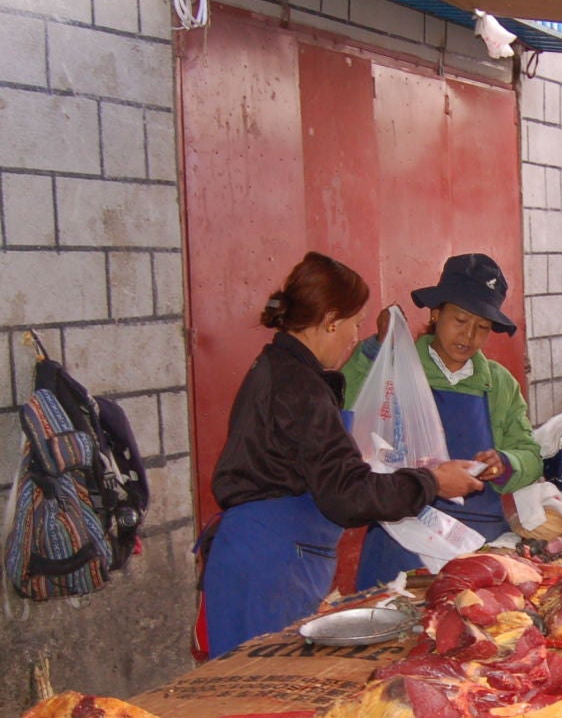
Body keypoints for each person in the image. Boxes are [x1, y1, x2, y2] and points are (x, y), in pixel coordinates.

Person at [201, 253, 485, 657]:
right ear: (331, 320)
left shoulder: (282, 368)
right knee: (259, 683)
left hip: (269, 557)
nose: (355, 337)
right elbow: (347, 494)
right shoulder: (297, 384)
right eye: (354, 324)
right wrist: (433, 482)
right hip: (268, 567)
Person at [342, 253, 542, 588]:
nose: (469, 335)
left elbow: (531, 455)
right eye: (460, 320)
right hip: (403, 537)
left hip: (478, 544)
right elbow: (348, 406)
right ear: (436, 313)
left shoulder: (499, 383)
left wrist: (506, 462)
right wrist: (378, 349)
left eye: (482, 327)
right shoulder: (396, 367)